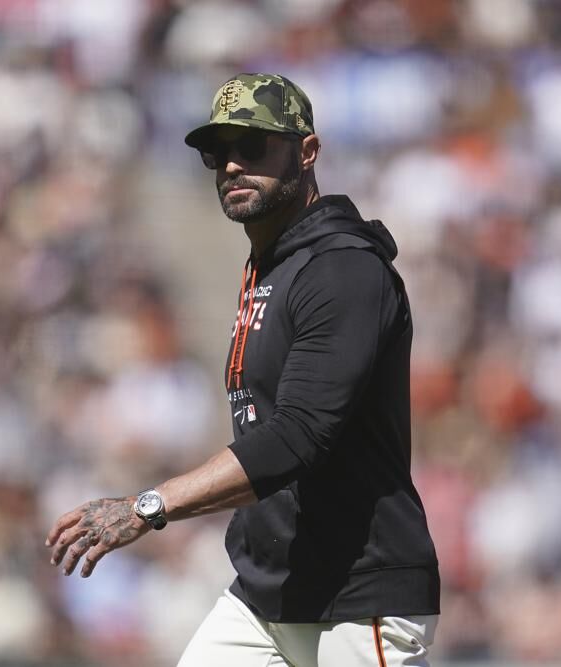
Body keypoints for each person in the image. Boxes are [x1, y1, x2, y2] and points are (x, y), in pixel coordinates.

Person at [45, 73, 441, 666]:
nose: (232, 166)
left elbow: (299, 437)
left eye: (252, 147)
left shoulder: (342, 269)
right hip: (269, 593)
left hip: (359, 595)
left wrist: (147, 507)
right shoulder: (272, 264)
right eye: (217, 151)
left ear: (307, 151)